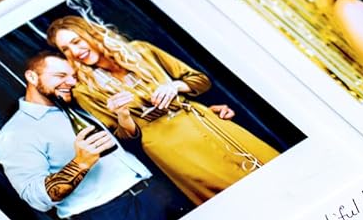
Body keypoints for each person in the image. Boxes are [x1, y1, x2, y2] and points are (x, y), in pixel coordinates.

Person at [46, 15, 278, 205]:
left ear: (91, 33)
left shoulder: (141, 50)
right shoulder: (84, 90)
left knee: (272, 172)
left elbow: (200, 80)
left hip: (205, 122)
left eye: (77, 41)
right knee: (236, 197)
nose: (75, 51)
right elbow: (124, 138)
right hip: (171, 148)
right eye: (66, 49)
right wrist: (122, 114)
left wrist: (175, 86)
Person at [0, 51, 190, 220]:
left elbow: (121, 147)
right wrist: (81, 163)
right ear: (31, 77)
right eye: (60, 76)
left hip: (155, 194)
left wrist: (123, 116)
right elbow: (36, 198)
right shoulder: (15, 134)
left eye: (73, 76)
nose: (71, 82)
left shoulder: (75, 107)